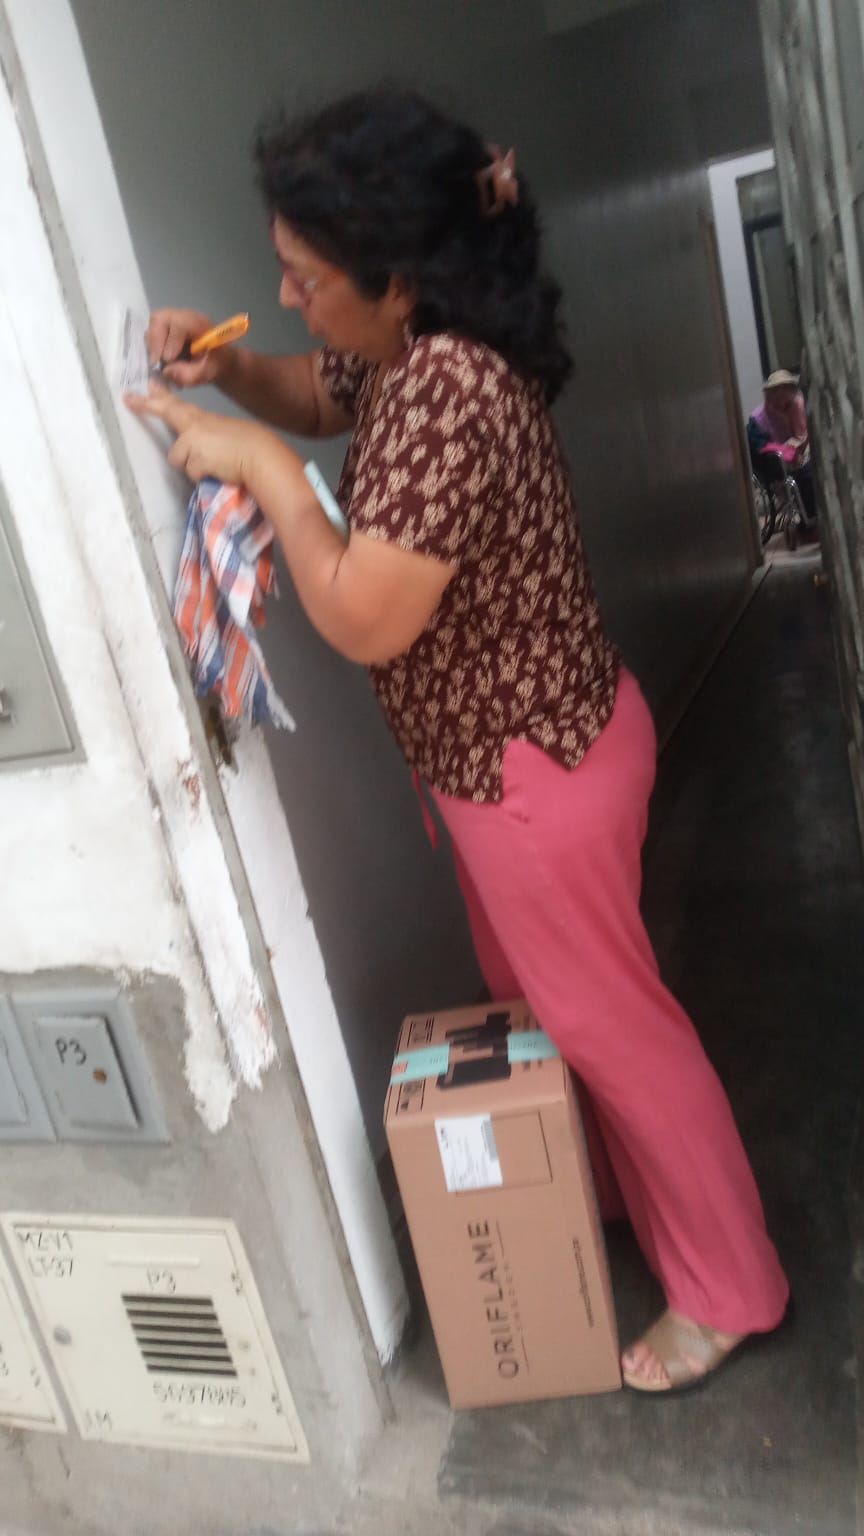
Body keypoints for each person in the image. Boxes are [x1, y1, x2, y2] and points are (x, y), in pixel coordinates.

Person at [126, 88, 789, 1394]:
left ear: (398, 275)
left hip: (537, 780)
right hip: (510, 766)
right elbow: (321, 391)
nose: (287, 295)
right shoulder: (413, 341)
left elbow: (365, 615)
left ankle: (730, 1286)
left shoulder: (451, 390)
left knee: (617, 1029)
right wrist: (228, 367)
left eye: (307, 276)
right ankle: (608, 1192)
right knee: (555, 1010)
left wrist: (262, 471)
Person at [747, 368, 817, 527]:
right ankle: (809, 519)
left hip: (798, 455)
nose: (782, 393)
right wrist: (787, 450)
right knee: (806, 475)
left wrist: (799, 445)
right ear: (770, 393)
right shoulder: (759, 419)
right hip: (776, 463)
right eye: (777, 390)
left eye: (786, 388)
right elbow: (761, 448)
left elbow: (804, 433)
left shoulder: (796, 405)